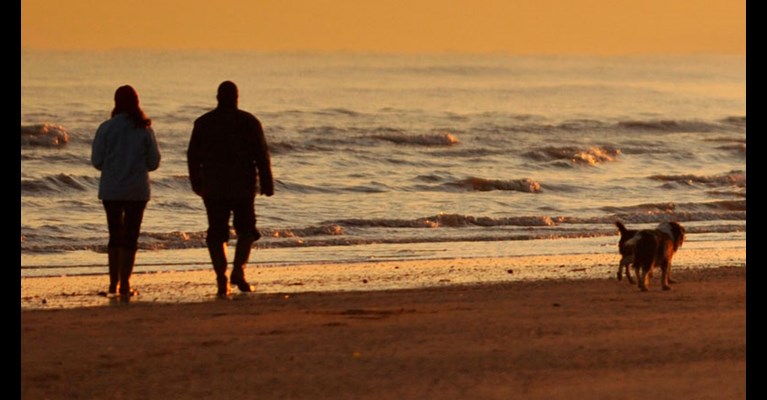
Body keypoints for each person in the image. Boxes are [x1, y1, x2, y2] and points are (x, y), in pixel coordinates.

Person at [187, 81, 274, 297]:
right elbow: (261, 155)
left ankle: (221, 278)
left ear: (217, 97)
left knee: (216, 232)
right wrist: (267, 182)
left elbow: (192, 156)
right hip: (242, 186)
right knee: (247, 230)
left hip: (214, 186)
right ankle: (238, 270)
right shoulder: (249, 121)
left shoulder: (203, 122)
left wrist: (196, 182)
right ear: (236, 98)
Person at [91, 85, 161, 299]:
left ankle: (113, 282)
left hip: (111, 189)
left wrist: (113, 167)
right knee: (131, 236)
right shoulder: (144, 129)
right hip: (137, 190)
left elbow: (97, 161)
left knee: (114, 235)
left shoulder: (106, 127)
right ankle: (126, 283)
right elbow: (154, 162)